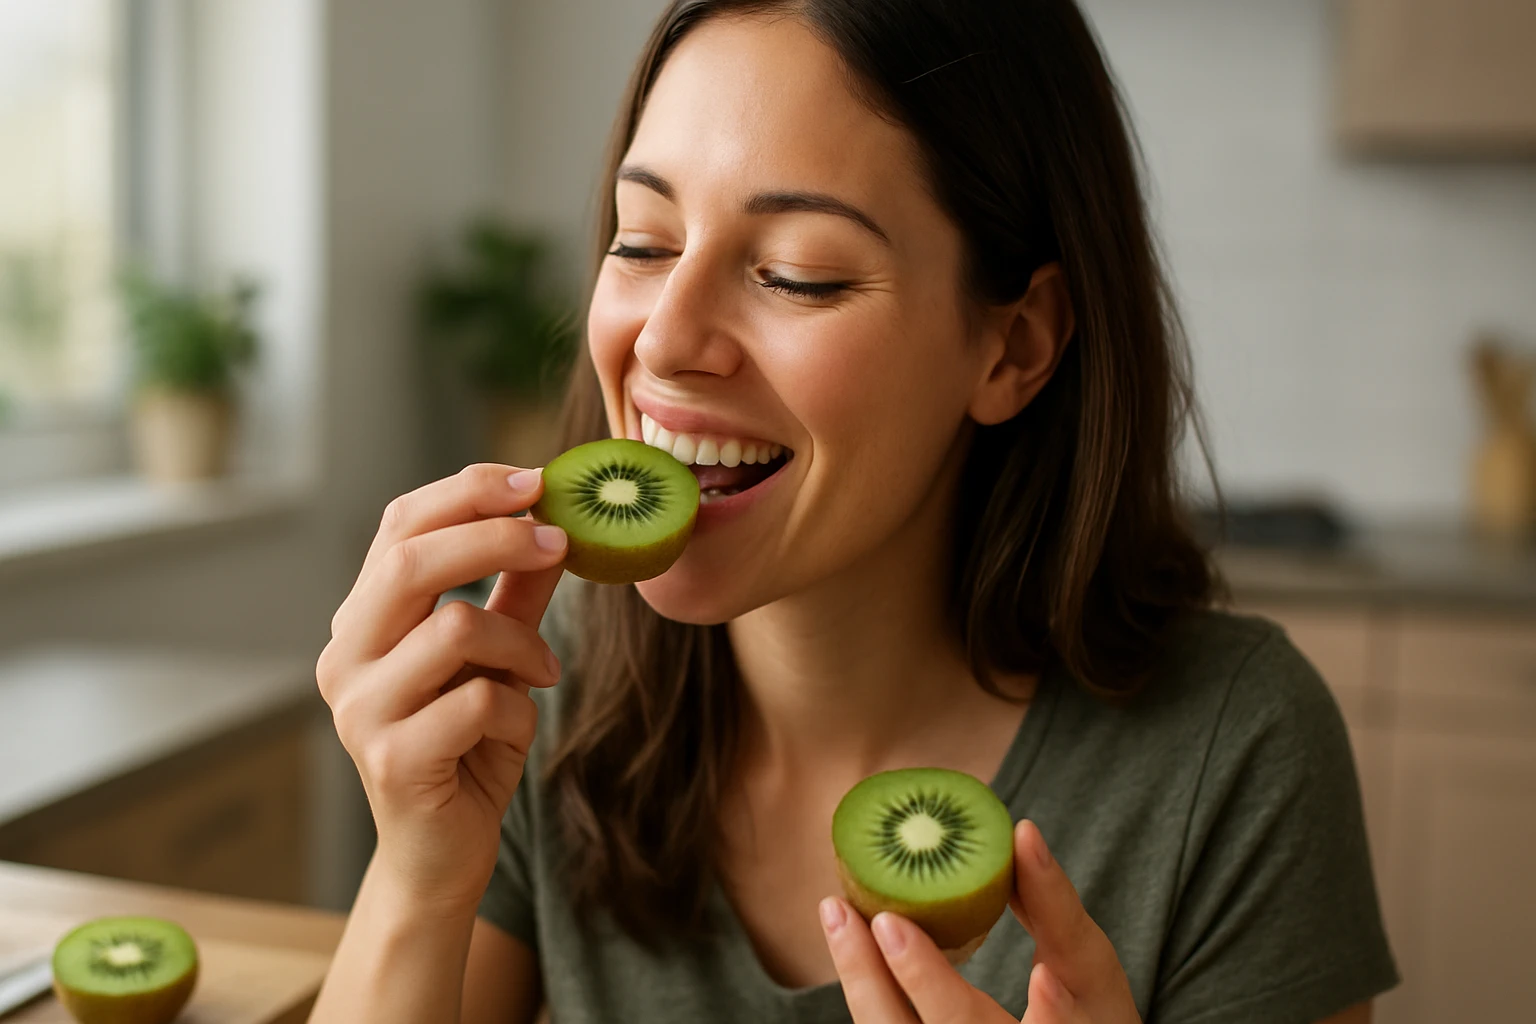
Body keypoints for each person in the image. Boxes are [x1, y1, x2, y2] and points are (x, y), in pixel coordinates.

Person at [310, 2, 1398, 1021]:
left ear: (1014, 344)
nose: (665, 339)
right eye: (642, 242)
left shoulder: (1235, 754)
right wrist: (416, 874)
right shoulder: (550, 675)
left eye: (798, 274)